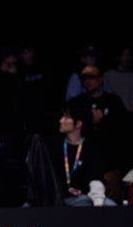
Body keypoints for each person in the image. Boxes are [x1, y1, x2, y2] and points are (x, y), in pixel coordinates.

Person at [25, 102, 117, 207]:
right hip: (56, 198)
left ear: (78, 124)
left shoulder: (90, 148)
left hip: (81, 199)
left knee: (110, 205)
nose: (61, 121)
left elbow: (95, 177)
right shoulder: (52, 145)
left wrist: (98, 202)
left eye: (67, 118)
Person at [67, 65, 129, 202]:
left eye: (91, 78)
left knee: (109, 205)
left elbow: (123, 128)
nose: (87, 82)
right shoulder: (76, 103)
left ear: (100, 79)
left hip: (109, 164)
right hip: (83, 166)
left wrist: (103, 120)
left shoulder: (113, 101)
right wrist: (89, 120)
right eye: (84, 79)